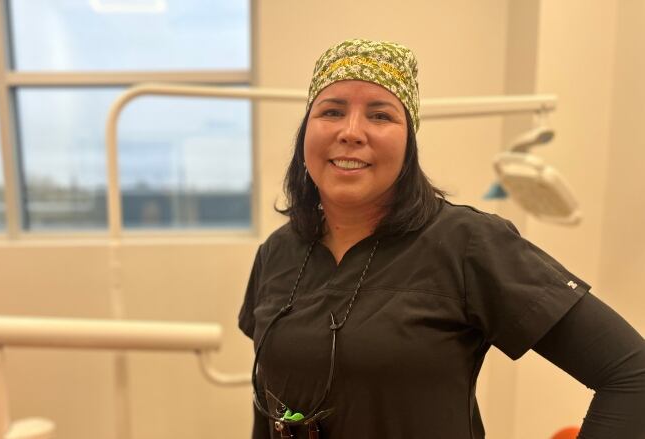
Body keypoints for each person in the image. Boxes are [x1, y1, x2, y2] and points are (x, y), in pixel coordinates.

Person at [238, 39, 645, 438]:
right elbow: (271, 405)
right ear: (306, 130)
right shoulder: (277, 253)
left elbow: (632, 373)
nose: (351, 131)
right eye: (331, 110)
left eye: (380, 115)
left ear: (409, 142)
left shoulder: (466, 243)